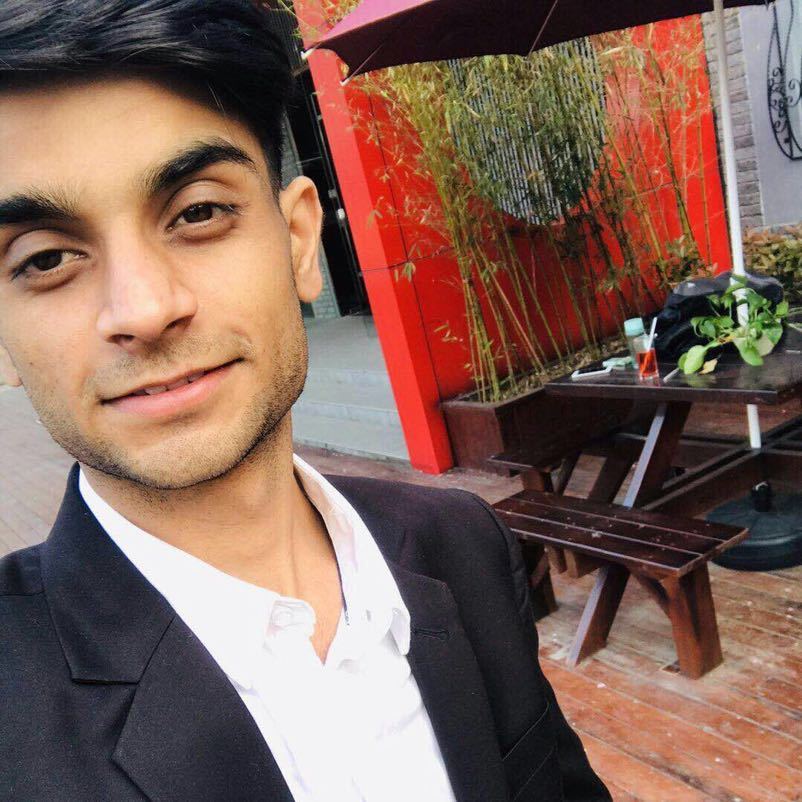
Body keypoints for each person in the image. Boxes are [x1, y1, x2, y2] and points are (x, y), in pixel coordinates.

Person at [0, 2, 611, 800]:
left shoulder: (462, 544)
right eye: (46, 259)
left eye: (199, 212)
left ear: (297, 242)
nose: (144, 310)